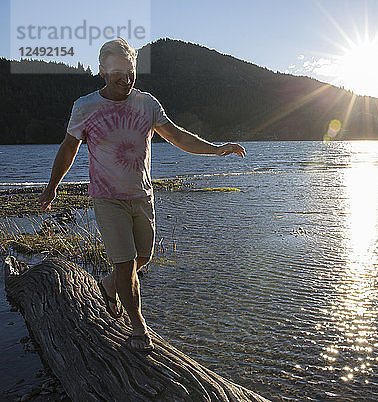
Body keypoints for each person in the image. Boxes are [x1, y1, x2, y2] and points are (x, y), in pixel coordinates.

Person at [39, 38, 246, 352]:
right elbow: (69, 148)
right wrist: (52, 185)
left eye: (130, 72)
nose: (126, 79)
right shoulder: (86, 107)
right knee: (124, 265)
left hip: (142, 195)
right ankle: (137, 326)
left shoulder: (147, 103)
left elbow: (176, 136)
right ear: (103, 72)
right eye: (118, 73)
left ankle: (107, 288)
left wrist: (216, 150)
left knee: (142, 259)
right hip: (108, 198)